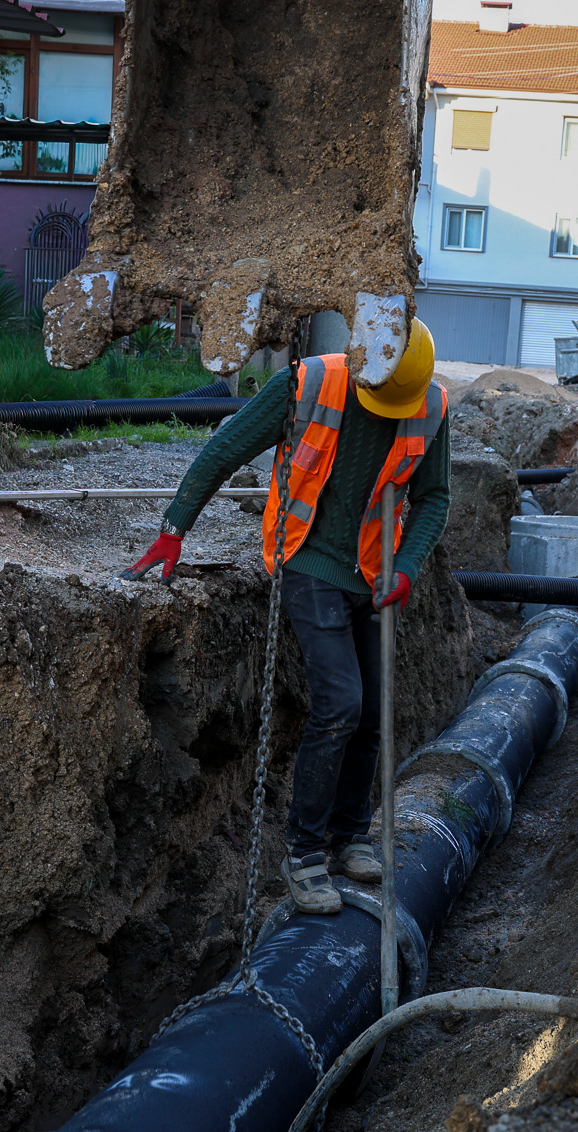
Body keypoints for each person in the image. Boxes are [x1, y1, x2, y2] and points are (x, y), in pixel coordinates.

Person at [124, 322, 450, 913]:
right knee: (341, 704)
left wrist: (406, 566)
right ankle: (303, 854)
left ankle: (350, 836)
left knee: (374, 712)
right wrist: (174, 528)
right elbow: (225, 448)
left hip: (375, 570)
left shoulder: (429, 404)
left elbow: (434, 497)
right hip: (308, 557)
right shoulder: (308, 384)